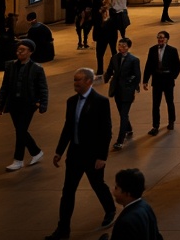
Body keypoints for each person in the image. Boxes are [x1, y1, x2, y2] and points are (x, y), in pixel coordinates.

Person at [45, 67, 116, 240]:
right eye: (74, 80)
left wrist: (102, 157)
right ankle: (63, 230)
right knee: (68, 191)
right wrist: (59, 151)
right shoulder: (71, 101)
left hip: (93, 156)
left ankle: (110, 209)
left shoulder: (100, 101)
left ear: (89, 82)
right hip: (75, 154)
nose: (74, 83)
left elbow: (106, 131)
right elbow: (68, 128)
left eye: (78, 80)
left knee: (98, 185)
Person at [0, 37, 48, 170]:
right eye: (18, 50)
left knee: (20, 131)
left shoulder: (36, 68)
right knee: (21, 131)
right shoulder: (10, 66)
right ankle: (35, 152)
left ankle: (18, 160)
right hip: (13, 104)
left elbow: (43, 88)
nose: (19, 53)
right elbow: (5, 87)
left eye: (23, 50)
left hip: (28, 104)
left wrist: (43, 104)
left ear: (30, 52)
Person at [101, 167, 162, 240]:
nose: (112, 191)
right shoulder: (146, 207)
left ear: (128, 193)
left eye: (116, 188)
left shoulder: (124, 222)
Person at [103, 37, 141, 150]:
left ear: (128, 47)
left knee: (123, 114)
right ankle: (128, 128)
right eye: (119, 45)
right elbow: (109, 71)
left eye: (124, 46)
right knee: (122, 113)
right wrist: (103, 80)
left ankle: (120, 140)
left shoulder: (134, 60)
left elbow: (137, 76)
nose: (121, 48)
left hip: (127, 91)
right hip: (117, 90)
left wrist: (132, 87)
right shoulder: (114, 57)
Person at [143, 29, 180, 135]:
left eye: (162, 37)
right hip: (157, 79)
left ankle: (171, 121)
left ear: (167, 39)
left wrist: (173, 76)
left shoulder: (172, 50)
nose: (160, 39)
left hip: (168, 79)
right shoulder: (152, 50)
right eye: (158, 37)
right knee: (156, 104)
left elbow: (178, 65)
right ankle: (155, 126)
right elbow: (148, 66)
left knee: (169, 102)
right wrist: (145, 80)